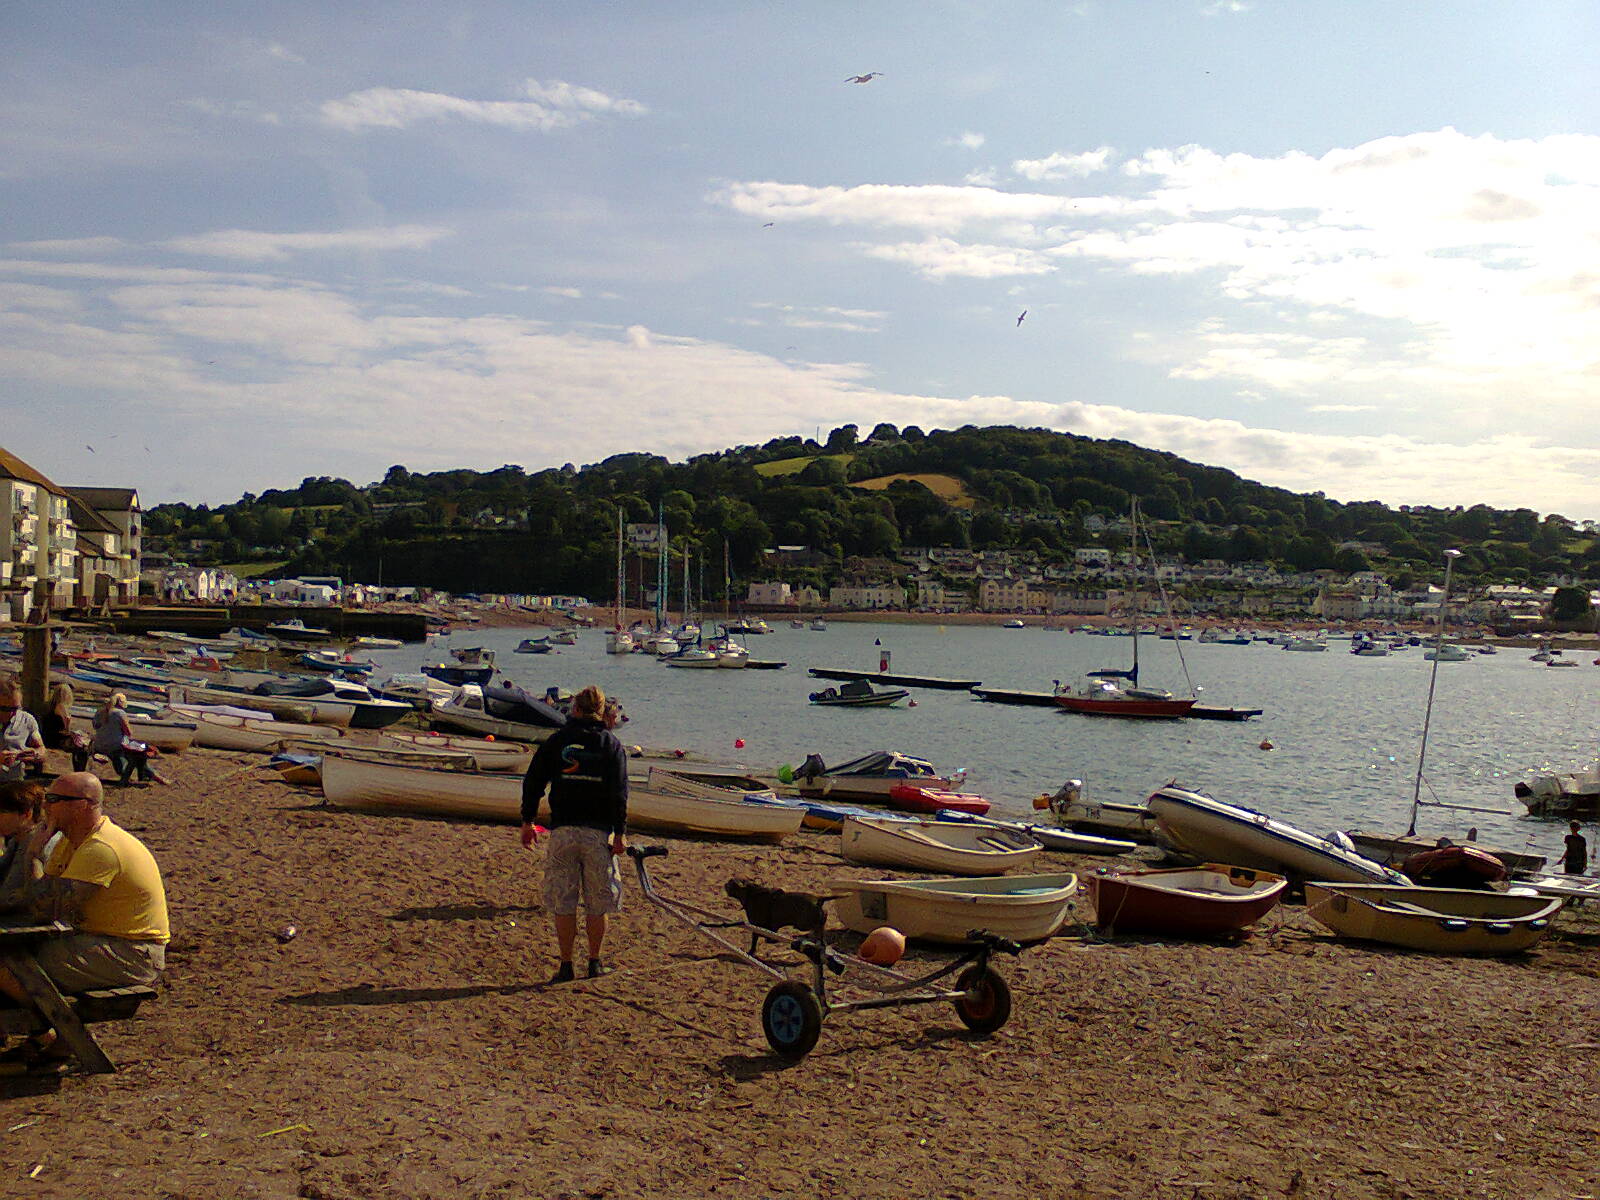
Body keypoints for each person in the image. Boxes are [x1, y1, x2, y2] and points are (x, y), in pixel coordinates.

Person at [0, 772, 169, 1065]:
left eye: (54, 799)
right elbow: (41, 898)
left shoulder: (100, 849)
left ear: (81, 805)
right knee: (14, 959)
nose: (46, 806)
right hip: (95, 940)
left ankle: (58, 1034)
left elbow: (45, 908)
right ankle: (51, 1036)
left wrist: (34, 855)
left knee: (12, 967)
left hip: (132, 953)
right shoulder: (71, 842)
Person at [520, 684, 628, 983]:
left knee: (564, 901)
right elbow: (619, 793)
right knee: (598, 902)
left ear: (576, 709)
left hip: (564, 831)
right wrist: (620, 833)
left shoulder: (558, 740)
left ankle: (566, 964)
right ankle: (594, 961)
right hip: (597, 833)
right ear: (601, 711)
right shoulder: (610, 744)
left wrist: (528, 820)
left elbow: (533, 781)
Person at [91, 693, 166, 786]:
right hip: (116, 745)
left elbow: (95, 726)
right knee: (140, 753)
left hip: (99, 745)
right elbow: (128, 733)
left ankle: (135, 776)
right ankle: (156, 777)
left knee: (123, 758)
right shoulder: (120, 713)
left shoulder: (99, 712)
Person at [0, 780, 45, 907]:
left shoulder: (34, 843)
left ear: (26, 814)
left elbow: (11, 897)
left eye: (2, 812)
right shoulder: (16, 840)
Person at [0, 676, 45, 784]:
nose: (11, 714)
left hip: (14, 783)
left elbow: (41, 749)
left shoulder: (27, 720)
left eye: (16, 708)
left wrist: (33, 754)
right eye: (5, 709)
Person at [39, 682, 90, 773]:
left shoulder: (48, 706)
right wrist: (69, 723)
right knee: (82, 748)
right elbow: (65, 730)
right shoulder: (61, 707)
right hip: (56, 740)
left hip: (46, 737)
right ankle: (79, 771)